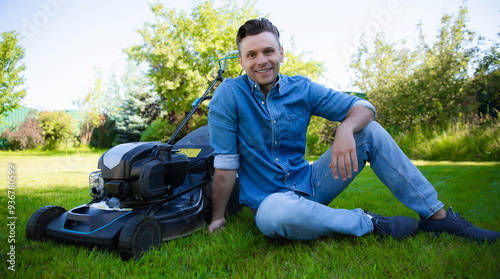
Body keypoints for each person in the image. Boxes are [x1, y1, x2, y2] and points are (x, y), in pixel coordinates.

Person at [206, 18, 499, 242]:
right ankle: (369, 222)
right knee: (273, 215)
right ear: (242, 60)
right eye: (252, 54)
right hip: (270, 203)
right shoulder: (229, 95)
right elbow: (226, 163)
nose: (262, 61)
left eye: (268, 51)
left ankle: (438, 216)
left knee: (368, 130)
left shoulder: (302, 88)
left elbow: (364, 107)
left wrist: (346, 128)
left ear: (281, 53)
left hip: (309, 184)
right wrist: (218, 217)